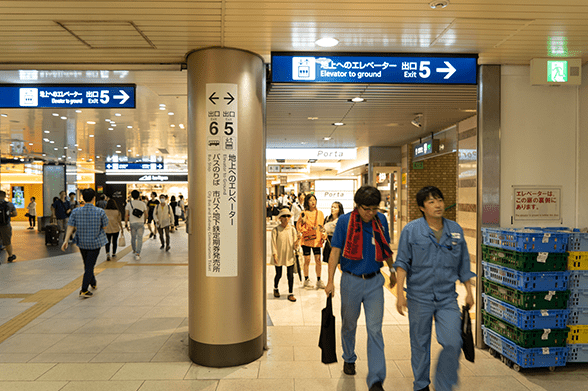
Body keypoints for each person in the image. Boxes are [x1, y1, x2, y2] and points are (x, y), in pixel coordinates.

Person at [394, 186, 475, 391]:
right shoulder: (411, 230)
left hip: (447, 297)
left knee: (452, 341)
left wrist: (469, 291)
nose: (437, 205)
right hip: (418, 296)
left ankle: (443, 385)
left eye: (439, 200)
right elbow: (402, 262)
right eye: (431, 202)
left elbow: (463, 263)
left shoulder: (455, 230)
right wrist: (399, 295)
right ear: (422, 207)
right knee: (420, 343)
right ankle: (421, 385)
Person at [325, 185, 395, 391]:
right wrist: (330, 281)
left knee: (375, 329)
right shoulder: (345, 222)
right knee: (349, 325)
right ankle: (349, 357)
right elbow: (335, 252)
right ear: (357, 206)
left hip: (375, 281)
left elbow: (385, 248)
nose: (370, 213)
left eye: (374, 208)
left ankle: (375, 379)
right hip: (351, 280)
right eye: (366, 208)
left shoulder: (380, 220)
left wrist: (392, 271)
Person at [61, 188, 108, 298]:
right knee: (89, 266)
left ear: (82, 198)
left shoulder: (76, 211)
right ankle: (84, 289)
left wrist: (66, 240)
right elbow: (105, 226)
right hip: (95, 242)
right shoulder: (100, 212)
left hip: (82, 242)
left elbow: (70, 226)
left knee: (87, 264)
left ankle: (93, 282)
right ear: (93, 199)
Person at [296, 193, 326, 289]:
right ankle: (306, 279)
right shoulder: (304, 213)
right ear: (307, 202)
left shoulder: (320, 213)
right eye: (310, 200)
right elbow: (298, 227)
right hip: (306, 239)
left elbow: (322, 226)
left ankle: (318, 279)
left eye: (314, 200)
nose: (313, 202)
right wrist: (303, 222)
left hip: (316, 240)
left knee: (318, 260)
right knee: (307, 260)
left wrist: (323, 235)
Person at [271, 208, 300, 302]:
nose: (286, 218)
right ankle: (275, 288)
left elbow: (295, 245)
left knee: (290, 275)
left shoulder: (292, 229)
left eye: (288, 216)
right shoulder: (276, 230)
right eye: (284, 216)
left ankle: (291, 293)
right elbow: (273, 243)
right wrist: (274, 254)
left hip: (289, 255)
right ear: (280, 218)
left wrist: (298, 241)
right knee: (278, 274)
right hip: (279, 255)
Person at [125, 190, 147, 261]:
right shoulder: (143, 203)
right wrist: (144, 220)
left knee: (133, 237)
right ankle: (138, 253)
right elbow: (146, 214)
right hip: (140, 222)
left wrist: (126, 223)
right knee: (140, 238)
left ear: (131, 196)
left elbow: (126, 215)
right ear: (139, 196)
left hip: (132, 223)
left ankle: (134, 250)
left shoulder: (129, 204)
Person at [0, 190, 18, 263]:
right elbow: (15, 214)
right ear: (4, 196)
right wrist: (8, 215)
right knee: (7, 242)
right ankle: (10, 256)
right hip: (5, 225)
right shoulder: (9, 204)